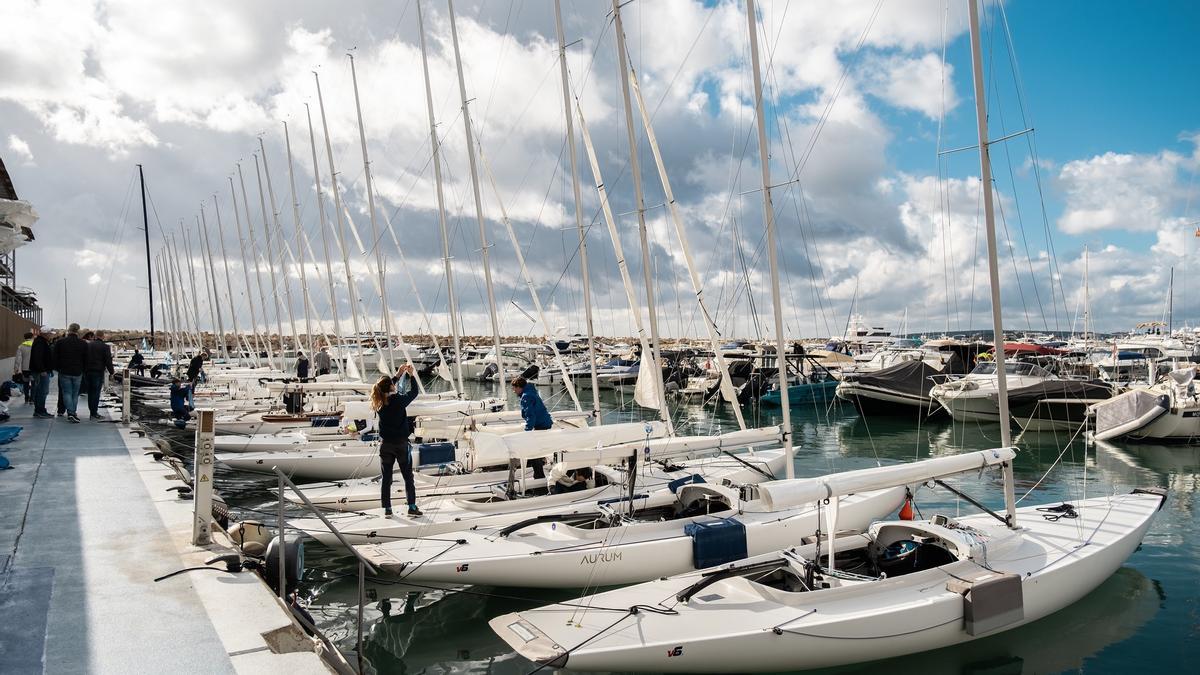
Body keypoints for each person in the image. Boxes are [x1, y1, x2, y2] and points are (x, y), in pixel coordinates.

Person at [369, 364, 421, 517]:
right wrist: (411, 375)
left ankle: (387, 510)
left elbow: (382, 387)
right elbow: (414, 392)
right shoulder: (398, 401)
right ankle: (412, 508)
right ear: (392, 387)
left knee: (387, 479)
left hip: (385, 446)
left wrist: (397, 376)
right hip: (401, 445)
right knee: (407, 477)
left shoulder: (378, 403)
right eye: (393, 384)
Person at [512, 376, 554, 479]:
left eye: (514, 388)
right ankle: (539, 473)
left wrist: (527, 432)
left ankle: (539, 476)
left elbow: (531, 416)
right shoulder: (531, 391)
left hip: (540, 425)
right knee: (537, 450)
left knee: (534, 451)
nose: (513, 391)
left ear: (519, 387)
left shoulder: (526, 396)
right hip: (544, 423)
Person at [52, 323, 88, 423]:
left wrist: (57, 368)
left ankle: (70, 412)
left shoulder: (60, 342)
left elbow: (55, 357)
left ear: (69, 330)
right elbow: (86, 358)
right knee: (75, 393)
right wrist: (83, 369)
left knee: (67, 392)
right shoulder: (83, 343)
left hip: (64, 371)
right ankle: (73, 412)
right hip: (78, 371)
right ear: (78, 331)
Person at [84, 330, 115, 420]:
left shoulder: (88, 345)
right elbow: (108, 361)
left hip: (87, 371)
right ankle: (94, 413)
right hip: (98, 371)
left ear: (95, 336)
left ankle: (91, 412)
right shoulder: (105, 347)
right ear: (103, 336)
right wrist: (112, 372)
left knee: (90, 392)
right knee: (96, 393)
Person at [28, 326, 54, 418]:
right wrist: (42, 370)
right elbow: (37, 357)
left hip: (41, 371)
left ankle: (40, 410)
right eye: (50, 333)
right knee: (42, 391)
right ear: (45, 334)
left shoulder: (41, 342)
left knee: (41, 391)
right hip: (41, 372)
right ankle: (40, 410)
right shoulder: (40, 343)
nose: (51, 335)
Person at [13, 332, 32, 402]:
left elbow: (18, 358)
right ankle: (32, 399)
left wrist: (16, 368)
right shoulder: (35, 345)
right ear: (32, 337)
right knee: (34, 383)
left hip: (25, 368)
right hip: (34, 368)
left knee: (26, 383)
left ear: (24, 338)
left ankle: (26, 397)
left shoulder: (21, 346)